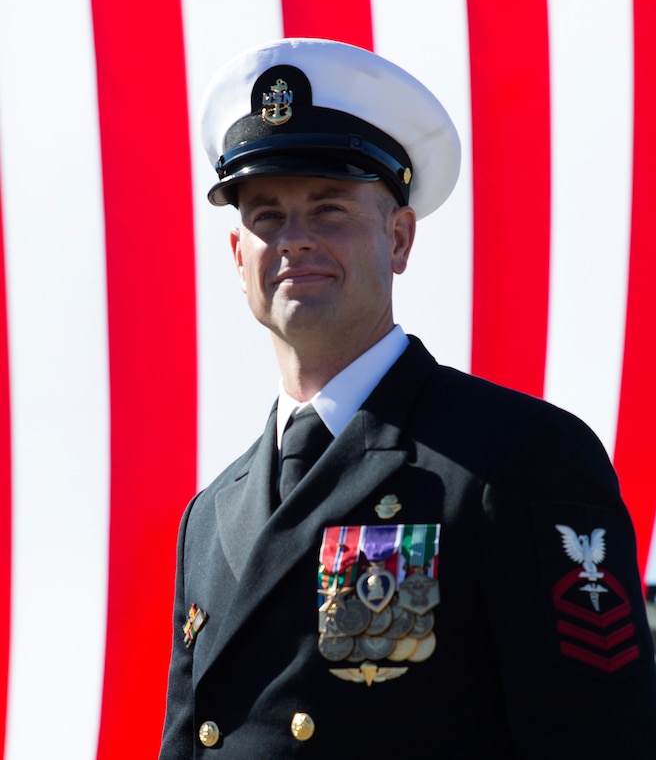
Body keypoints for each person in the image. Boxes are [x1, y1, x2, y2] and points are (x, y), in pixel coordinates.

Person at [159, 38, 656, 759]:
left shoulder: (519, 457)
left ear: (399, 239)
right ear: (239, 259)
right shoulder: (210, 516)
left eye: (328, 209)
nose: (294, 239)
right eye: (266, 215)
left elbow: (596, 741)